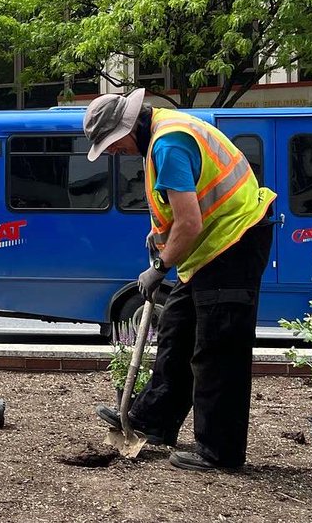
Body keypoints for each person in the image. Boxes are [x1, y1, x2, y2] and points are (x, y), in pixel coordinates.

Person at [84, 89, 275, 472]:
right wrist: (160, 238)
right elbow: (181, 215)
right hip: (211, 249)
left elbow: (190, 222)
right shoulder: (162, 134)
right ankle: (151, 420)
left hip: (233, 244)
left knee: (218, 351)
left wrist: (159, 267)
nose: (112, 152)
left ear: (129, 126)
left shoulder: (168, 144)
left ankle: (219, 452)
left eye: (111, 143)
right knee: (176, 331)